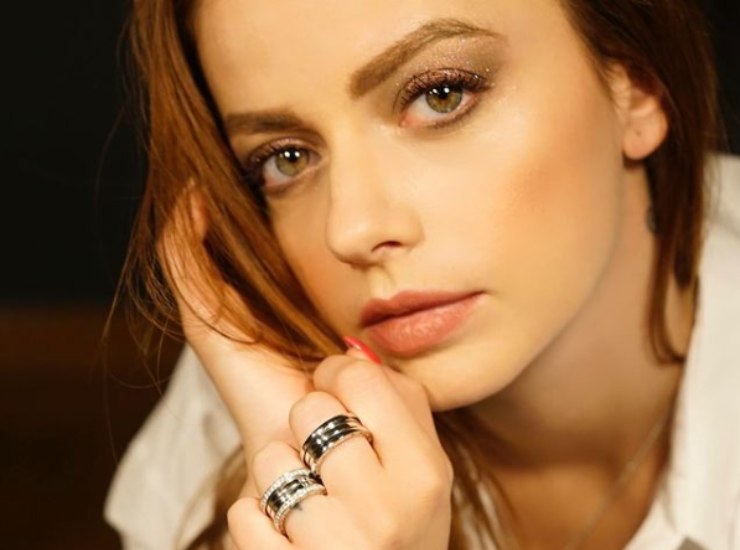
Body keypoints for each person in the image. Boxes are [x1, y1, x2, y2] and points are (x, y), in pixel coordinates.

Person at [105, 0, 740, 548]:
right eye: (286, 158)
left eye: (441, 95)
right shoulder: (269, 394)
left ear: (637, 84)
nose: (350, 230)